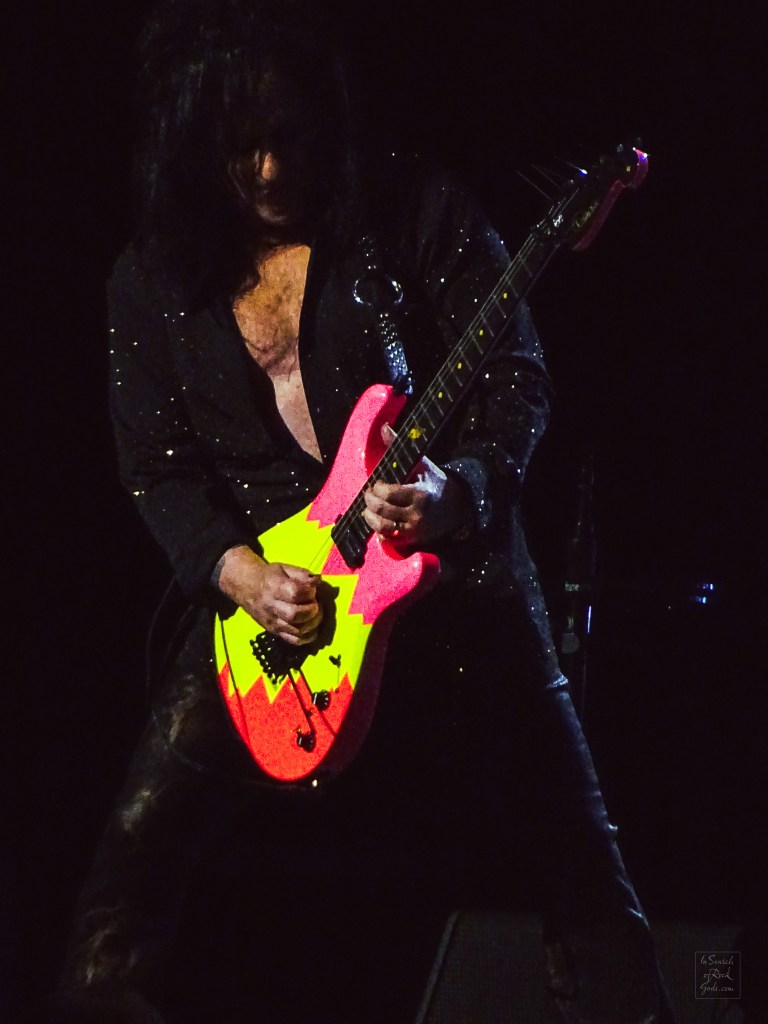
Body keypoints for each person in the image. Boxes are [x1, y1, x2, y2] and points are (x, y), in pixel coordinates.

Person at [44, 1, 675, 1021]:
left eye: (288, 137)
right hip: (267, 617)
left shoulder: (412, 211)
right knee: (121, 888)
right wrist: (241, 575)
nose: (267, 173)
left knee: (586, 879)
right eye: (239, 146)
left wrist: (455, 492)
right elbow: (156, 470)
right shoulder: (150, 279)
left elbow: (517, 378)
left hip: (451, 574)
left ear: (324, 120)